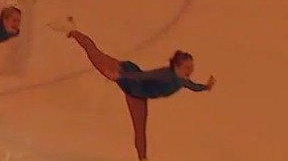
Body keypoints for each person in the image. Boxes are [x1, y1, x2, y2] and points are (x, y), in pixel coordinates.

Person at [47, 16, 214, 160]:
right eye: (187, 68)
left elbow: (192, 86)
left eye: (191, 68)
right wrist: (120, 76)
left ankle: (143, 158)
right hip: (128, 75)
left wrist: (205, 87)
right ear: (176, 66)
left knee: (140, 128)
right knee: (95, 54)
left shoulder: (182, 79)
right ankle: (72, 31)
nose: (190, 71)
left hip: (137, 93)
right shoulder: (165, 74)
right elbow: (143, 76)